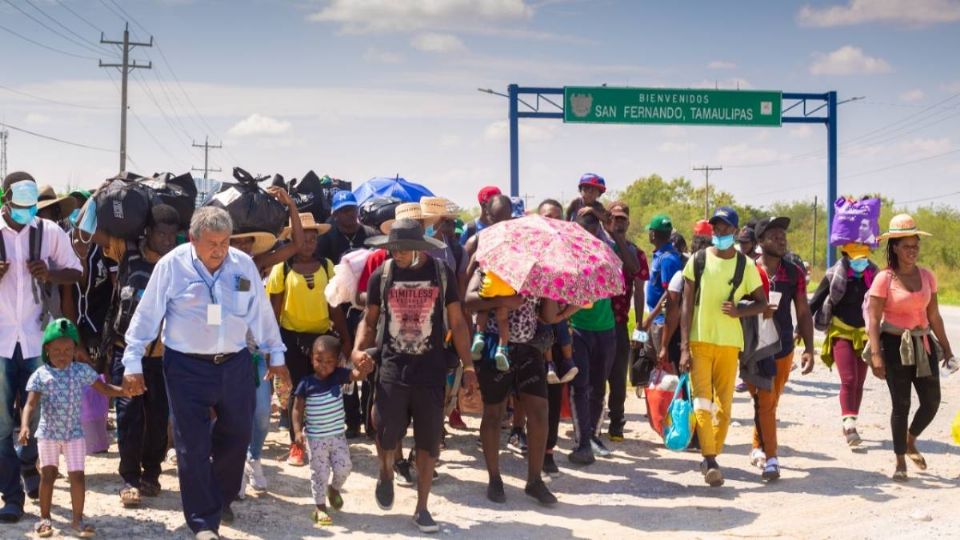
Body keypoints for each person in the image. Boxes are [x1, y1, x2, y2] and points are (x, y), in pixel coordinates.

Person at [120, 207, 290, 540]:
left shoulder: (242, 265)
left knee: (238, 435)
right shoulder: (172, 266)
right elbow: (146, 315)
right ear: (193, 239)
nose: (219, 249)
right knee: (191, 444)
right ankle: (203, 522)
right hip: (186, 368)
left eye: (224, 242)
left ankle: (219, 496)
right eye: (212, 242)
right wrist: (132, 362)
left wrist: (276, 353)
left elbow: (261, 313)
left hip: (235, 363)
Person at [351, 219, 477, 534]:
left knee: (428, 440)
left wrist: (470, 367)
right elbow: (369, 320)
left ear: (421, 248)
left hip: (431, 370)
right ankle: (385, 471)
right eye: (394, 249)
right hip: (392, 366)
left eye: (405, 248)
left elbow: (458, 323)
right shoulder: (383, 275)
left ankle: (422, 508)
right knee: (385, 431)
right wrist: (356, 350)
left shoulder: (440, 274)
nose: (399, 254)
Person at [1, 172, 82, 523]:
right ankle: (12, 496)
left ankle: (30, 470)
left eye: (31, 207)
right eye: (19, 206)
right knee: (2, 423)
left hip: (36, 338)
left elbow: (76, 272)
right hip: (1, 341)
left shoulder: (49, 232)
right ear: (5, 200)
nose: (26, 212)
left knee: (34, 416)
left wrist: (50, 273)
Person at [679, 206, 769, 487]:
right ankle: (710, 458)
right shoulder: (699, 260)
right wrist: (683, 346)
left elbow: (762, 302)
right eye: (715, 227)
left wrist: (739, 312)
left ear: (734, 230)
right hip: (700, 340)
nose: (719, 231)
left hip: (730, 344)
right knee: (702, 403)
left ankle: (711, 455)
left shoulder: (746, 265)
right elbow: (686, 304)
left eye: (725, 227)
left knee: (724, 408)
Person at [866, 214, 954, 481]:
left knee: (931, 401)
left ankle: (910, 438)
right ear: (894, 247)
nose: (912, 251)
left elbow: (935, 315)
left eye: (915, 245)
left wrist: (947, 349)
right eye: (906, 246)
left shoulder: (927, 276)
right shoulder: (884, 278)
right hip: (894, 345)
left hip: (923, 342)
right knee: (901, 403)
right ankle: (900, 460)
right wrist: (876, 354)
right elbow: (873, 318)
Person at [103, 204, 180, 507]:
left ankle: (152, 473)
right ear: (148, 231)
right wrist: (107, 195)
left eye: (172, 235)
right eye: (161, 233)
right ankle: (129, 479)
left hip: (163, 354)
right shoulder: (127, 251)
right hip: (126, 350)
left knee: (158, 417)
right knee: (129, 416)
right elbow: (89, 232)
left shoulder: (178, 263)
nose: (166, 240)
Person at [19, 319, 125, 538]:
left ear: (75, 350)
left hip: (74, 434)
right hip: (48, 434)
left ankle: (77, 519)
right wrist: (23, 426)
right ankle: (44, 518)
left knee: (77, 476)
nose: (62, 354)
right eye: (56, 350)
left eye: (68, 349)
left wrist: (125, 391)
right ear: (46, 350)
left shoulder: (81, 371)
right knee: (48, 475)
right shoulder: (41, 375)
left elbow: (104, 389)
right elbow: (29, 404)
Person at [465, 269, 561, 507]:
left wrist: (549, 289)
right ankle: (494, 478)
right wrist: (504, 301)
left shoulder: (540, 272)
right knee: (494, 413)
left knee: (539, 412)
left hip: (529, 348)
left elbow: (548, 316)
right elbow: (468, 301)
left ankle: (535, 480)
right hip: (494, 347)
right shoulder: (487, 265)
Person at [266, 213, 349, 467]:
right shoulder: (282, 269)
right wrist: (272, 346)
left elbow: (335, 308)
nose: (309, 244)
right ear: (294, 239)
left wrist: (346, 339)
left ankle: (322, 442)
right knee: (298, 391)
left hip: (322, 339)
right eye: (304, 239)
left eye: (313, 239)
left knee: (323, 390)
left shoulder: (327, 267)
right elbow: (274, 311)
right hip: (291, 338)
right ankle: (296, 445)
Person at [747, 217, 815, 482]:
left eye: (783, 235)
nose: (781, 239)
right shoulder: (749, 270)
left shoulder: (793, 272)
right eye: (774, 235)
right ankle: (772, 459)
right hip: (755, 348)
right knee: (763, 400)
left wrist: (809, 348)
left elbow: (803, 311)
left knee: (769, 402)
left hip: (784, 346)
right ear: (761, 242)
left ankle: (758, 446)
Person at [316, 190, 378, 439]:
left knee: (369, 362)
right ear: (334, 214)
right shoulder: (327, 240)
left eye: (352, 209)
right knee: (345, 364)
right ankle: (351, 421)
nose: (349, 215)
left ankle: (371, 421)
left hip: (369, 308)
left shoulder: (371, 236)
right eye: (343, 211)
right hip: (340, 311)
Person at [292, 336, 373, 526]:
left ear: (336, 362)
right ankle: (319, 508)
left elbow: (357, 376)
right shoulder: (306, 383)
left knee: (344, 467)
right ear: (312, 358)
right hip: (316, 439)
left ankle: (334, 489)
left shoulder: (338, 375)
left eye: (329, 362)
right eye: (319, 360)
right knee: (319, 473)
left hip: (337, 436)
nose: (323, 366)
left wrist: (363, 367)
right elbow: (297, 409)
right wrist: (297, 432)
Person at [810, 242, 878, 446]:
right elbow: (814, 302)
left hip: (865, 335)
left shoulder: (874, 276)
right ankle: (849, 426)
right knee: (848, 379)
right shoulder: (834, 275)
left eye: (864, 257)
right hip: (841, 331)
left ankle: (851, 420)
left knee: (859, 382)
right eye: (856, 258)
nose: (861, 262)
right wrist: (800, 330)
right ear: (846, 256)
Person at [567, 208, 618, 464]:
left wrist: (598, 211)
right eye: (581, 229)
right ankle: (582, 442)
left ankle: (594, 436)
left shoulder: (606, 251)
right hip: (577, 328)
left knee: (599, 387)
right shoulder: (566, 256)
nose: (586, 234)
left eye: (591, 229)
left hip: (605, 329)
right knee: (580, 386)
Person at [604, 202, 647, 442]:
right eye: (614, 219)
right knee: (595, 377)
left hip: (620, 322)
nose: (618, 224)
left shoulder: (635, 252)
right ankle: (593, 422)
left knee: (618, 377)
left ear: (628, 223)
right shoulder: (598, 247)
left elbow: (638, 287)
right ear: (607, 220)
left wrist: (639, 324)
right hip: (595, 321)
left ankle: (617, 422)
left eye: (622, 220)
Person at [641, 213, 682, 384]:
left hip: (660, 321)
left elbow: (670, 294)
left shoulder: (669, 259)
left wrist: (651, 317)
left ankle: (670, 402)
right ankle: (655, 399)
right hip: (652, 318)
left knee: (664, 361)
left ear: (653, 234)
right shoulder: (658, 254)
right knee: (650, 357)